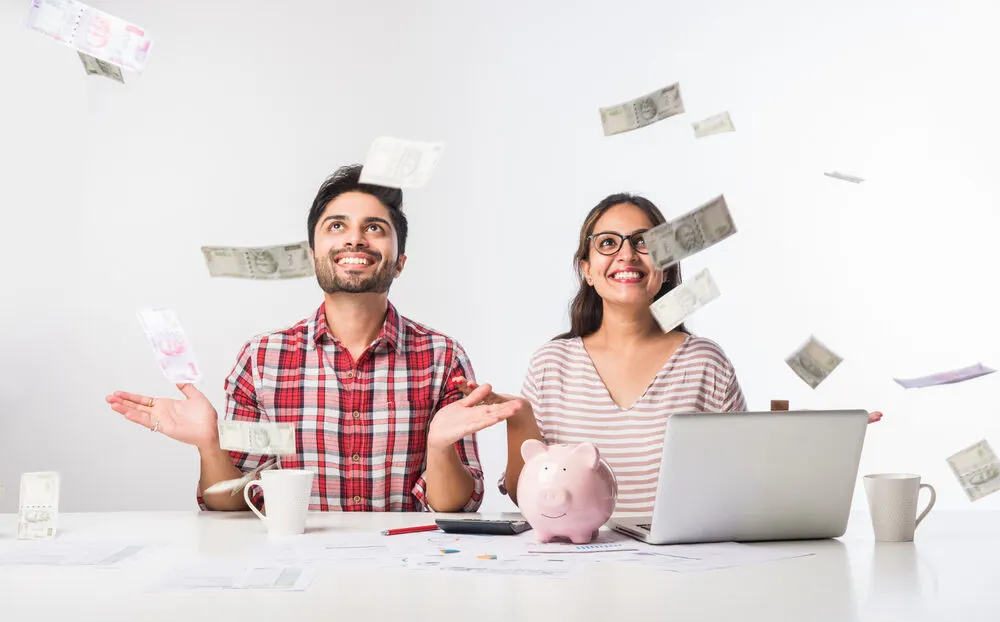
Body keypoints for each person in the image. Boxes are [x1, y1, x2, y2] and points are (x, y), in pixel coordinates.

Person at [107, 164, 522, 512]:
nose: (355, 238)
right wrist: (210, 445)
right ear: (312, 255)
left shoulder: (443, 357)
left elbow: (456, 506)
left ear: (400, 263)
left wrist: (439, 445)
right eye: (337, 225)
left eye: (374, 227)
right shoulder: (262, 358)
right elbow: (232, 504)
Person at [454, 192, 882, 514]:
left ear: (665, 265)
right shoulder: (551, 363)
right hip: (572, 571)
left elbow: (744, 484)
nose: (626, 254)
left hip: (681, 571)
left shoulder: (704, 362)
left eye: (644, 243)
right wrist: (520, 420)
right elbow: (525, 499)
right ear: (586, 268)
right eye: (607, 243)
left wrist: (802, 444)